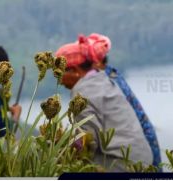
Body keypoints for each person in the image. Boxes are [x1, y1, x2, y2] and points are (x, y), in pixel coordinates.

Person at [56, 38, 153, 172]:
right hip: (143, 159)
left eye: (60, 74)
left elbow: (87, 141)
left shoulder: (82, 91)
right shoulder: (102, 79)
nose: (59, 81)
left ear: (74, 70)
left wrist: (58, 154)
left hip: (121, 164)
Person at [77, 33, 162, 169]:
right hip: (143, 148)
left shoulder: (103, 83)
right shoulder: (112, 76)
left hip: (133, 155)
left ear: (97, 62)